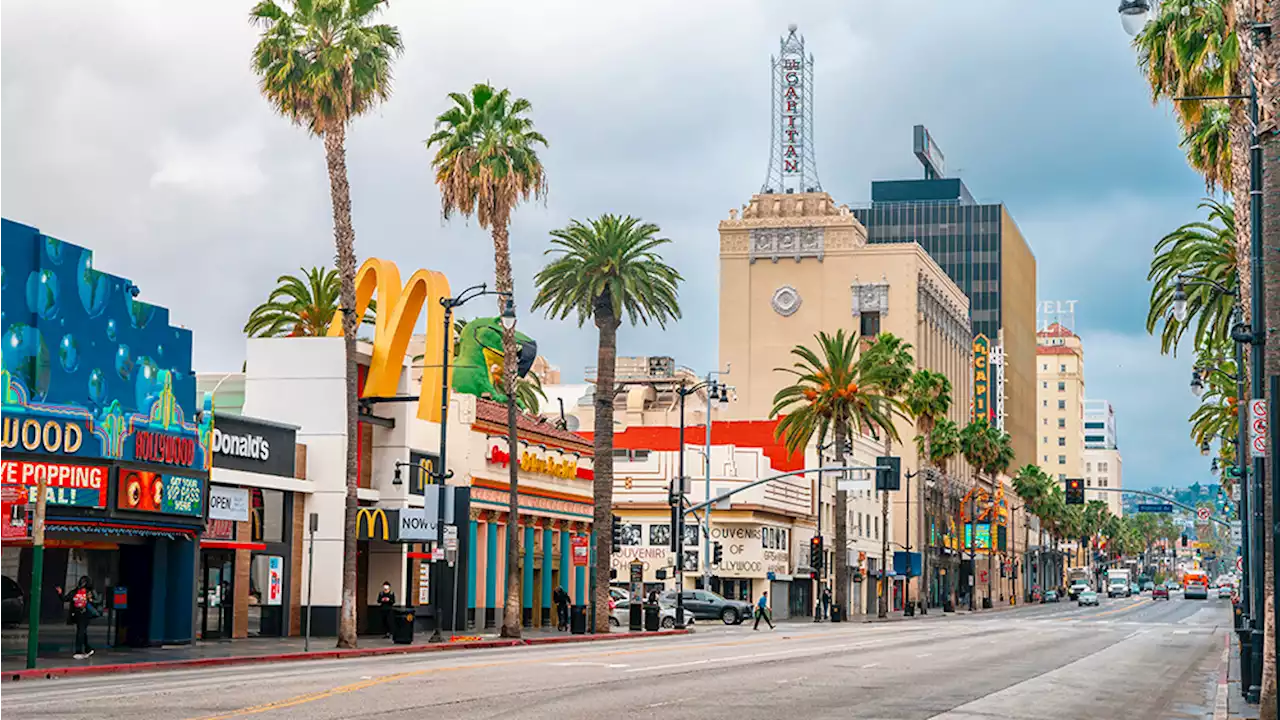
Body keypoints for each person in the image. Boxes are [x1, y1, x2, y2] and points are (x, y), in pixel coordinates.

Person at [55, 576, 98, 659]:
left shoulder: (90, 592)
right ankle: (88, 649)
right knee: (82, 632)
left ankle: (78, 651)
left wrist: (90, 600)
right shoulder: (75, 592)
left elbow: (97, 601)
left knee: (80, 632)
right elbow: (65, 598)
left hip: (85, 615)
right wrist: (60, 593)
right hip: (77, 615)